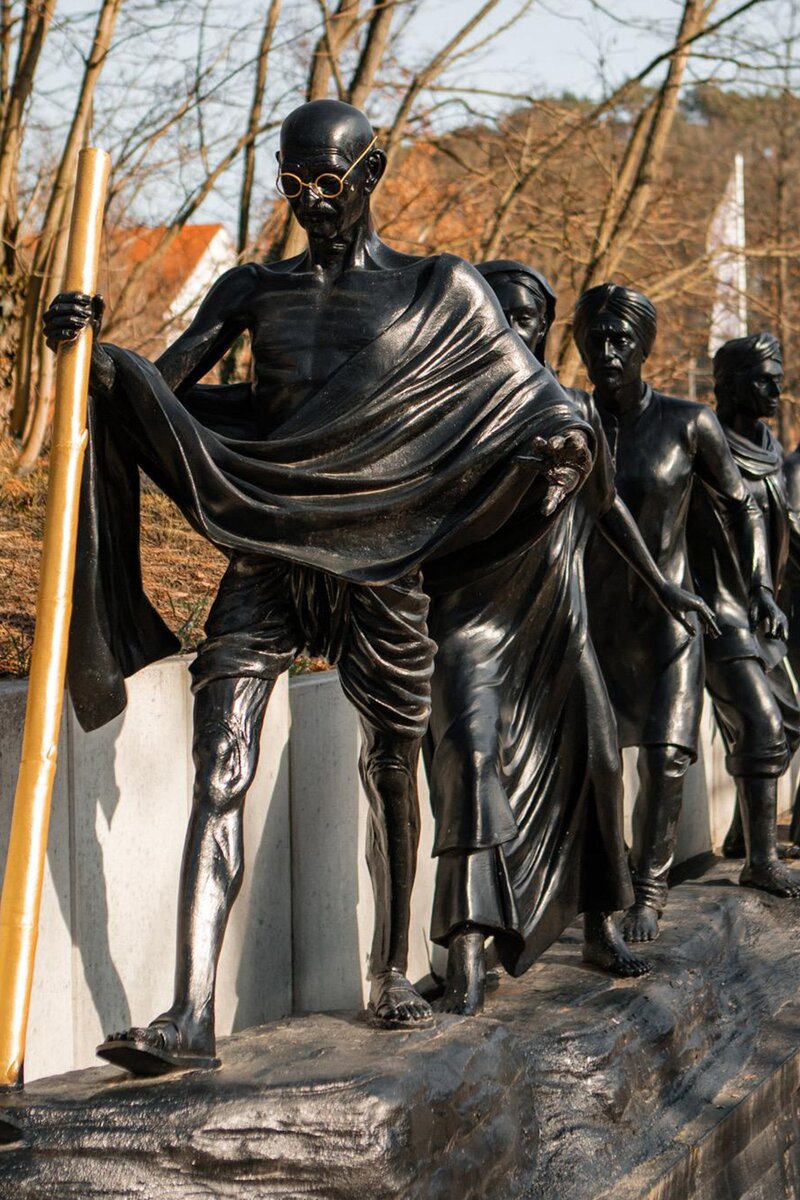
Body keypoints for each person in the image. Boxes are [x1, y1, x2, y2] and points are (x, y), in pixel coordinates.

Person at [43, 100, 594, 1074]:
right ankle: (191, 1015)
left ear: (371, 176)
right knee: (220, 773)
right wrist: (86, 358)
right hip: (266, 556)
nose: (310, 203)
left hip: (381, 565)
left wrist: (550, 456)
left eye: (327, 184)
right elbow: (152, 395)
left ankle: (389, 968)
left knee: (390, 768)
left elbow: (535, 399)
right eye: (293, 185)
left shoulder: (440, 290)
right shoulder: (253, 290)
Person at [423, 261, 716, 1015]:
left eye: (530, 319)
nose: (517, 329)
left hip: (559, 619)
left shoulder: (568, 407)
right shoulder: (445, 406)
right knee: (471, 766)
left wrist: (661, 583)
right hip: (474, 626)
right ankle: (464, 951)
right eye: (503, 313)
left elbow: (608, 505)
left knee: (598, 764)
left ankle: (598, 924)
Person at [577, 285, 785, 944]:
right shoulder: (570, 418)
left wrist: (759, 588)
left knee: (666, 762)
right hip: (595, 623)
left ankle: (651, 890)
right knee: (600, 767)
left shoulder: (688, 422)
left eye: (620, 338)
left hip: (672, 621)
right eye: (594, 337)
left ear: (644, 346)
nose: (607, 351)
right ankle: (599, 893)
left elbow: (742, 504)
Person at [689, 333, 800, 894]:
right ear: (730, 384)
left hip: (763, 610)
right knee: (763, 725)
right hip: (715, 607)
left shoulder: (771, 447)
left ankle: (741, 835)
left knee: (788, 719)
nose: (777, 389)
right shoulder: (703, 441)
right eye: (764, 379)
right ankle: (760, 858)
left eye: (778, 377)